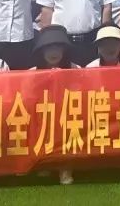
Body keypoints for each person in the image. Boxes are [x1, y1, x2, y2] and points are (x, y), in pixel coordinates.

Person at [29, 24, 78, 186]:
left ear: (64, 50)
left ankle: (66, 168)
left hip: (67, 115)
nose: (53, 52)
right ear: (41, 50)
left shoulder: (75, 69)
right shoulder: (32, 72)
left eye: (57, 47)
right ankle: (44, 164)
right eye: (48, 47)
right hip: (42, 116)